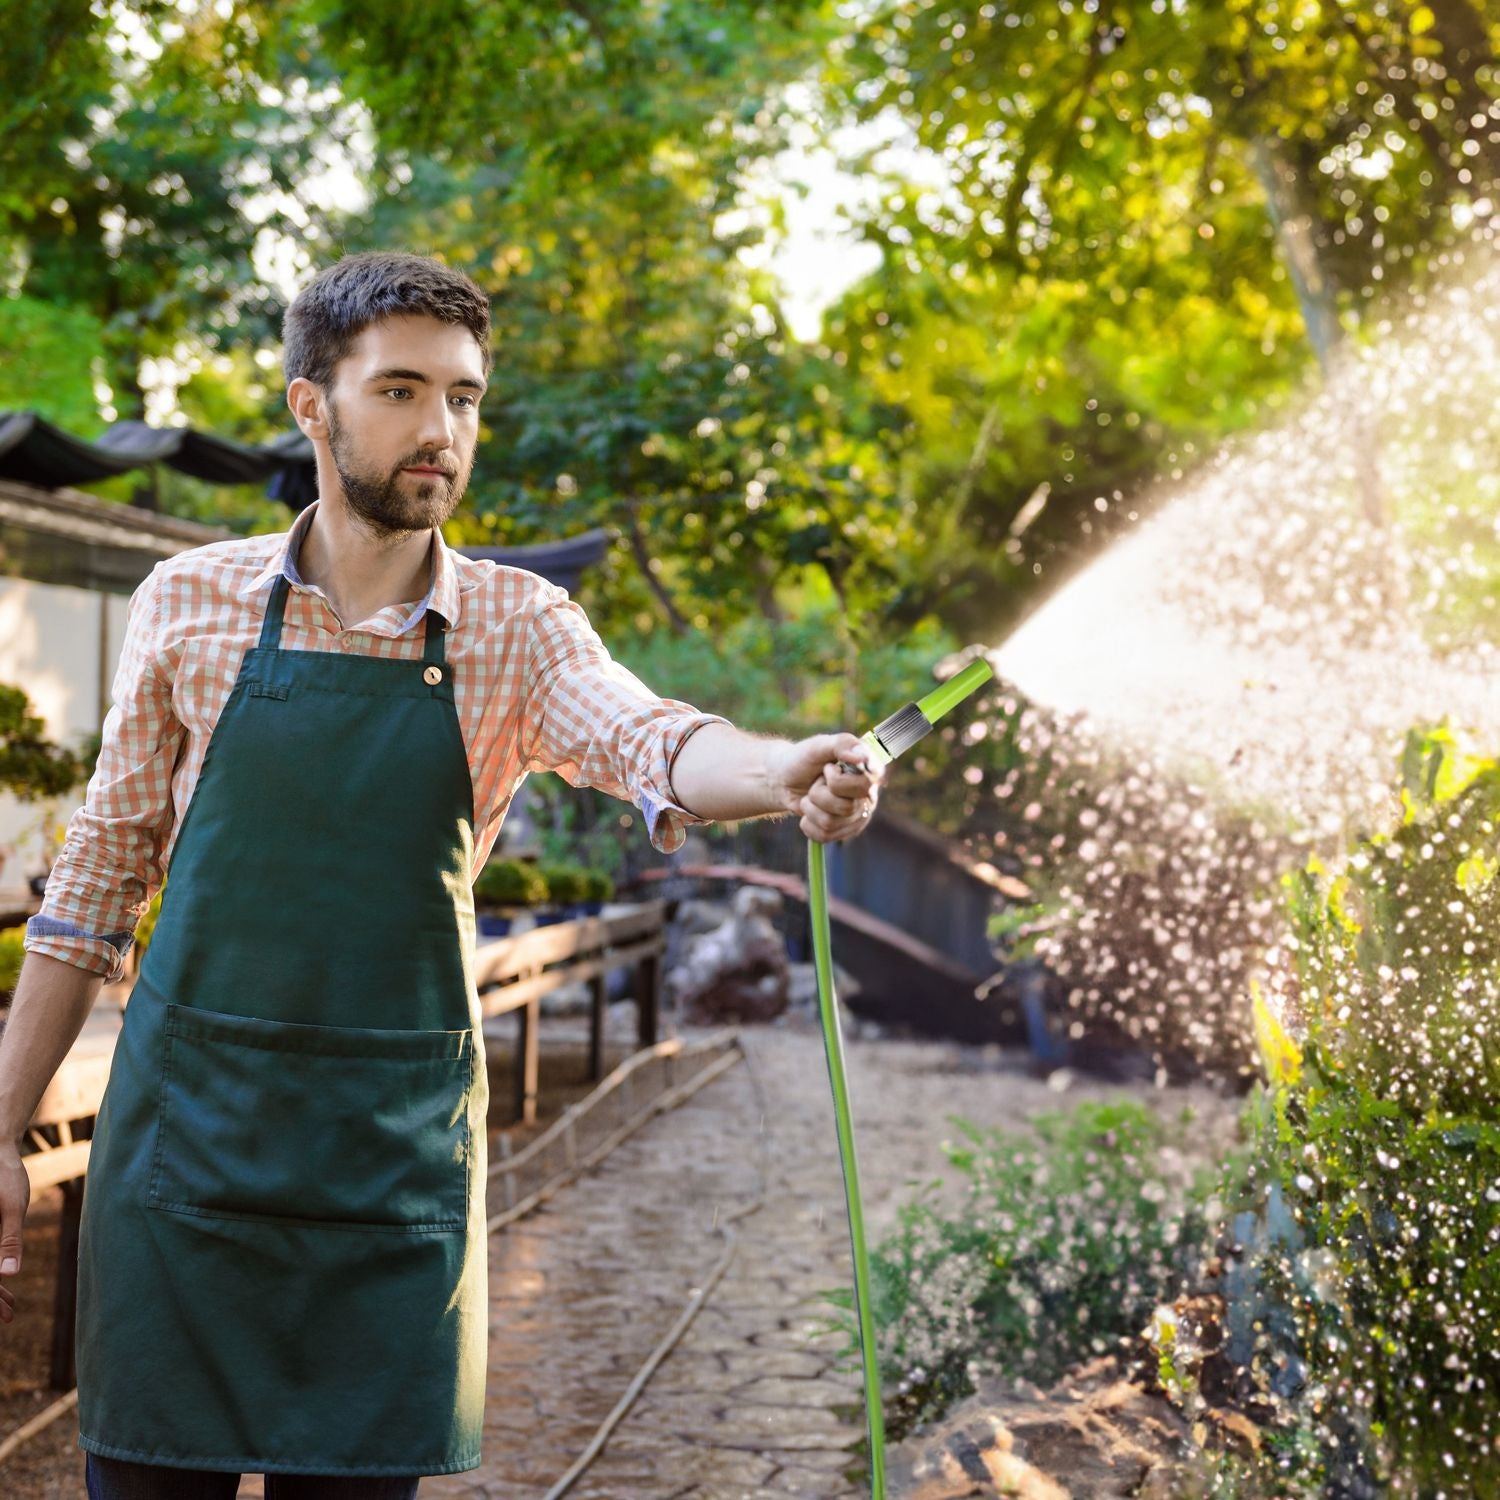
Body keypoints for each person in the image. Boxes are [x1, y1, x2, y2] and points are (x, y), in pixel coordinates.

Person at [0, 251, 884, 1498]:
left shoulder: (519, 629)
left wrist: (786, 766)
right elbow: (92, 885)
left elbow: (654, 740)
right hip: (182, 1161)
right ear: (313, 404)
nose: (442, 431)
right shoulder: (187, 604)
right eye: (403, 391)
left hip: (387, 1170)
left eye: (463, 399)